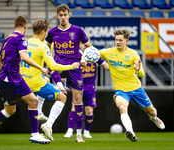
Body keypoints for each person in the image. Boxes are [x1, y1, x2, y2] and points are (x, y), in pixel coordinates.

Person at [0, 16, 50, 145]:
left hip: (14, 78)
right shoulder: (21, 38)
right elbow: (24, 57)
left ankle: (35, 135)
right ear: (25, 27)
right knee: (10, 111)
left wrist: (2, 75)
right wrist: (41, 68)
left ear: (14, 26)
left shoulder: (7, 39)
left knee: (34, 101)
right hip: (11, 80)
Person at [99, 29, 165, 142]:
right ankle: (130, 132)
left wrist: (137, 69)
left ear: (126, 41)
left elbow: (142, 74)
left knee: (152, 111)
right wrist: (84, 58)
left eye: (120, 40)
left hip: (136, 89)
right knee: (122, 107)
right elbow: (92, 53)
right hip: (121, 91)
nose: (117, 42)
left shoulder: (133, 54)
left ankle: (153, 118)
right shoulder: (108, 52)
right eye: (116, 40)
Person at [20, 19, 80, 141]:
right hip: (33, 82)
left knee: (46, 80)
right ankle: (48, 125)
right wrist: (71, 66)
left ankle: (40, 111)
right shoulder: (42, 46)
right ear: (43, 32)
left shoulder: (24, 42)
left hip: (20, 80)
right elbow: (53, 66)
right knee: (62, 97)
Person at [45, 4, 93, 143]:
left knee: (78, 100)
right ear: (57, 16)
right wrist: (46, 64)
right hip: (59, 66)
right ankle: (59, 86)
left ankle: (78, 135)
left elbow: (90, 48)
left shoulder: (78, 30)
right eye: (60, 15)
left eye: (65, 14)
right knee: (52, 68)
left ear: (69, 15)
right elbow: (46, 49)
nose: (63, 17)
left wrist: (84, 58)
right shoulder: (53, 32)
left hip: (75, 67)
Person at [64, 42, 109, 139]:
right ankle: (70, 130)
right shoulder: (76, 55)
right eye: (83, 44)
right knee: (74, 108)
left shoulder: (94, 55)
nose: (84, 46)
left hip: (90, 88)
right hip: (78, 86)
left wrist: (115, 68)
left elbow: (105, 65)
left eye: (86, 44)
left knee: (89, 111)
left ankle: (87, 132)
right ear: (80, 45)